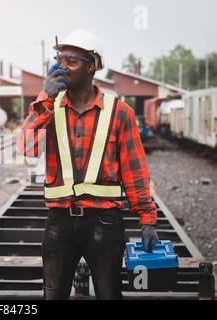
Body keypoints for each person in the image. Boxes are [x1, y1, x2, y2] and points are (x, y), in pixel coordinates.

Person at [17, 29, 158, 300]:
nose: (62, 66)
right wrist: (43, 98)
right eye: (59, 59)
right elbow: (26, 147)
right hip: (59, 223)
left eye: (71, 60)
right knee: (53, 295)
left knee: (109, 295)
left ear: (91, 67)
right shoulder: (49, 107)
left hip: (104, 224)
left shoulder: (119, 112)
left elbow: (135, 170)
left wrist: (147, 219)